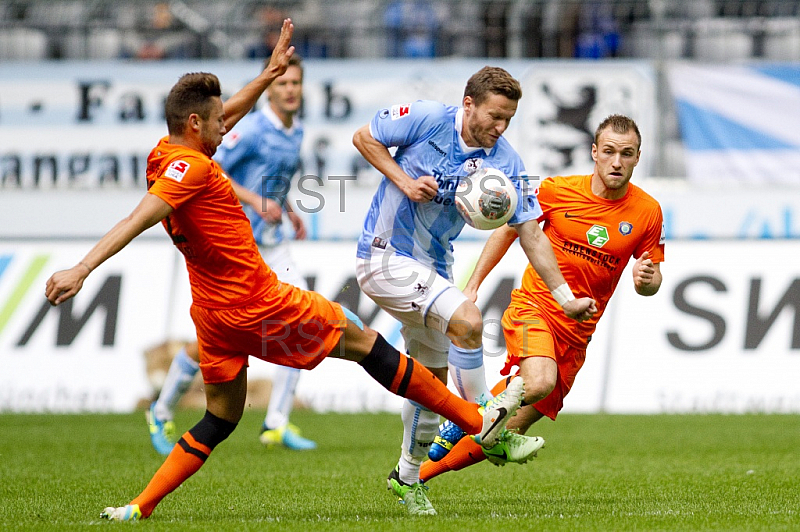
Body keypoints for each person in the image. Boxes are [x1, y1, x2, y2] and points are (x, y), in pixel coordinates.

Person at [43, 20, 535, 521]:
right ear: (196, 124)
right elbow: (135, 219)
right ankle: (481, 425)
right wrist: (81, 268)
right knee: (364, 341)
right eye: (218, 122)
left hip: (212, 315)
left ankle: (138, 506)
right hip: (257, 300)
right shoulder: (190, 171)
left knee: (220, 418)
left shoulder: (167, 153)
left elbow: (226, 115)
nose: (227, 127)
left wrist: (266, 74)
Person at [352, 66, 596, 516]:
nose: (500, 128)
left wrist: (564, 298)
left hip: (433, 270)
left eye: (508, 119)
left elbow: (531, 232)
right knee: (467, 321)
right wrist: (404, 182)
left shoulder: (506, 163)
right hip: (383, 256)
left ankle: (408, 478)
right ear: (469, 105)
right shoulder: (425, 119)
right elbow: (363, 138)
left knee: (430, 385)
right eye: (494, 116)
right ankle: (487, 421)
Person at [418, 114, 665, 483]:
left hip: (577, 335)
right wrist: (474, 285)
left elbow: (652, 280)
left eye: (626, 154)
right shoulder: (555, 191)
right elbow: (508, 232)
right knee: (538, 381)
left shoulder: (647, 212)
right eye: (610, 151)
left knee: (504, 429)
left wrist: (646, 279)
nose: (617, 162)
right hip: (535, 307)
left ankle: (414, 478)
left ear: (637, 157)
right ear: (594, 152)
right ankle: (470, 412)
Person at [146, 54, 317, 454]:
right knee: (213, 342)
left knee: (302, 323)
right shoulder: (251, 130)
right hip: (235, 246)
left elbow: (273, 181)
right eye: (282, 84)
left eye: (295, 83)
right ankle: (162, 409)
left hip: (273, 243)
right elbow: (208, 165)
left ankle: (276, 421)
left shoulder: (296, 131)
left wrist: (287, 208)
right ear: (270, 91)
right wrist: (254, 199)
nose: (290, 90)